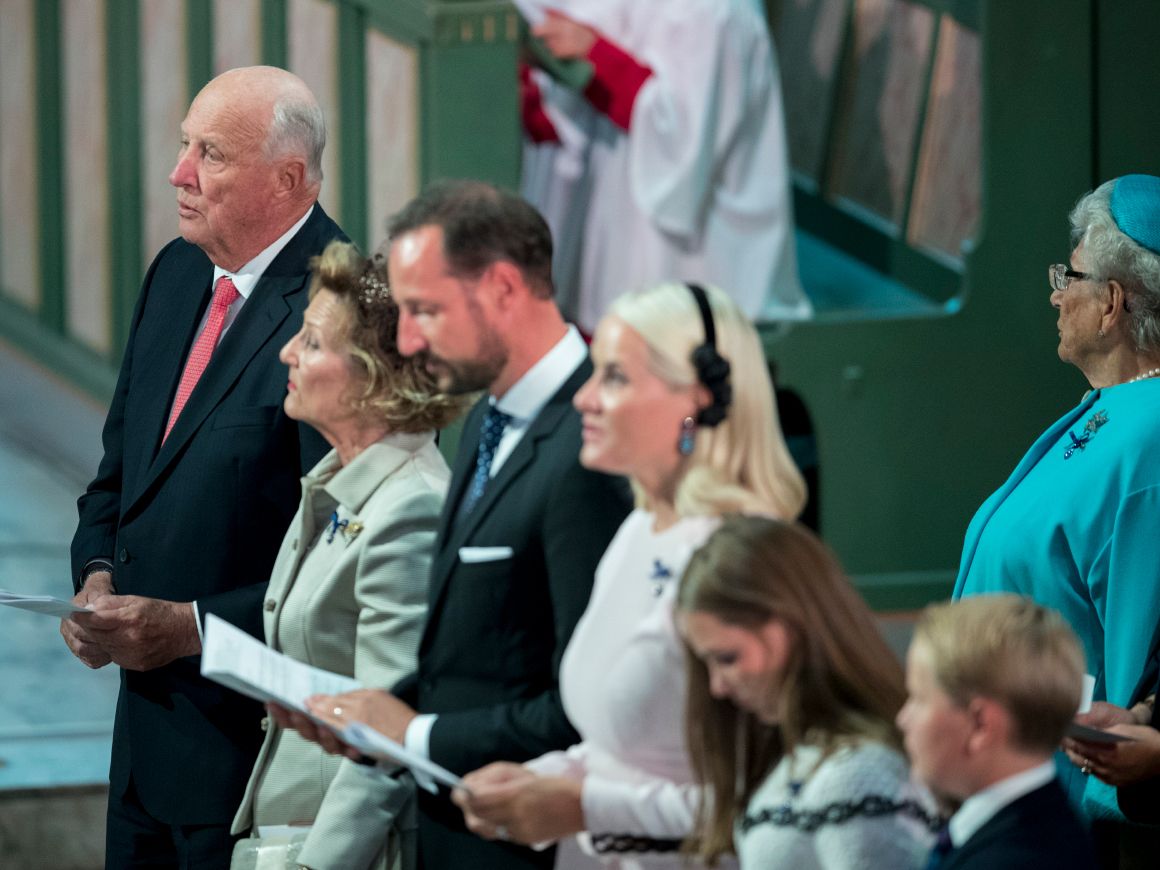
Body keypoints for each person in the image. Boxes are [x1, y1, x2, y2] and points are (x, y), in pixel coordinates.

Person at [272, 180, 632, 870]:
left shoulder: (587, 447)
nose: (408, 339)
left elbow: (588, 705)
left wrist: (415, 735)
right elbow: (473, 657)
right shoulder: (489, 418)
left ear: (502, 288)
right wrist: (366, 719)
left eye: (425, 310)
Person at [62, 66, 343, 866]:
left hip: (253, 767)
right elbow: (118, 477)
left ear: (286, 178)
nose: (179, 173)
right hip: (140, 750)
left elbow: (338, 566)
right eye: (186, 145)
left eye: (210, 153)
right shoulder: (176, 272)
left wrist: (189, 628)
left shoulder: (342, 308)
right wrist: (96, 578)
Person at [453, 282, 808, 869]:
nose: (584, 398)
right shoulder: (641, 526)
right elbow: (620, 747)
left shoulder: (748, 557)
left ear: (696, 399)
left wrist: (586, 806)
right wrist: (540, 778)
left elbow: (774, 799)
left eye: (614, 377)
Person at [228, 241, 466, 869]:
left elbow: (387, 733)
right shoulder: (341, 478)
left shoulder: (412, 507)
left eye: (310, 342)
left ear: (373, 374)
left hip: (346, 851)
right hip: (286, 831)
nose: (287, 353)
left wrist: (318, 865)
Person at [952, 174, 1160, 823]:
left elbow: (1137, 632)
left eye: (1069, 277)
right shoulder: (1118, 409)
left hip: (1059, 794)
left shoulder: (1150, 433)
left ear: (1112, 302)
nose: (1055, 295)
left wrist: (1113, 785)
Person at [516, 0, 810, 334]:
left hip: (696, 261)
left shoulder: (711, 13)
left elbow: (683, 136)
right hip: (612, 212)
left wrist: (597, 57)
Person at [676, 515, 934, 869]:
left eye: (727, 658)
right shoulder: (811, 759)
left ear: (790, 627)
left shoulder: (857, 773)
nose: (717, 687)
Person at [899, 595, 1096, 869]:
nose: (902, 719)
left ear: (979, 724)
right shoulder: (1048, 827)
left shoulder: (1014, 860)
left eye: (918, 698)